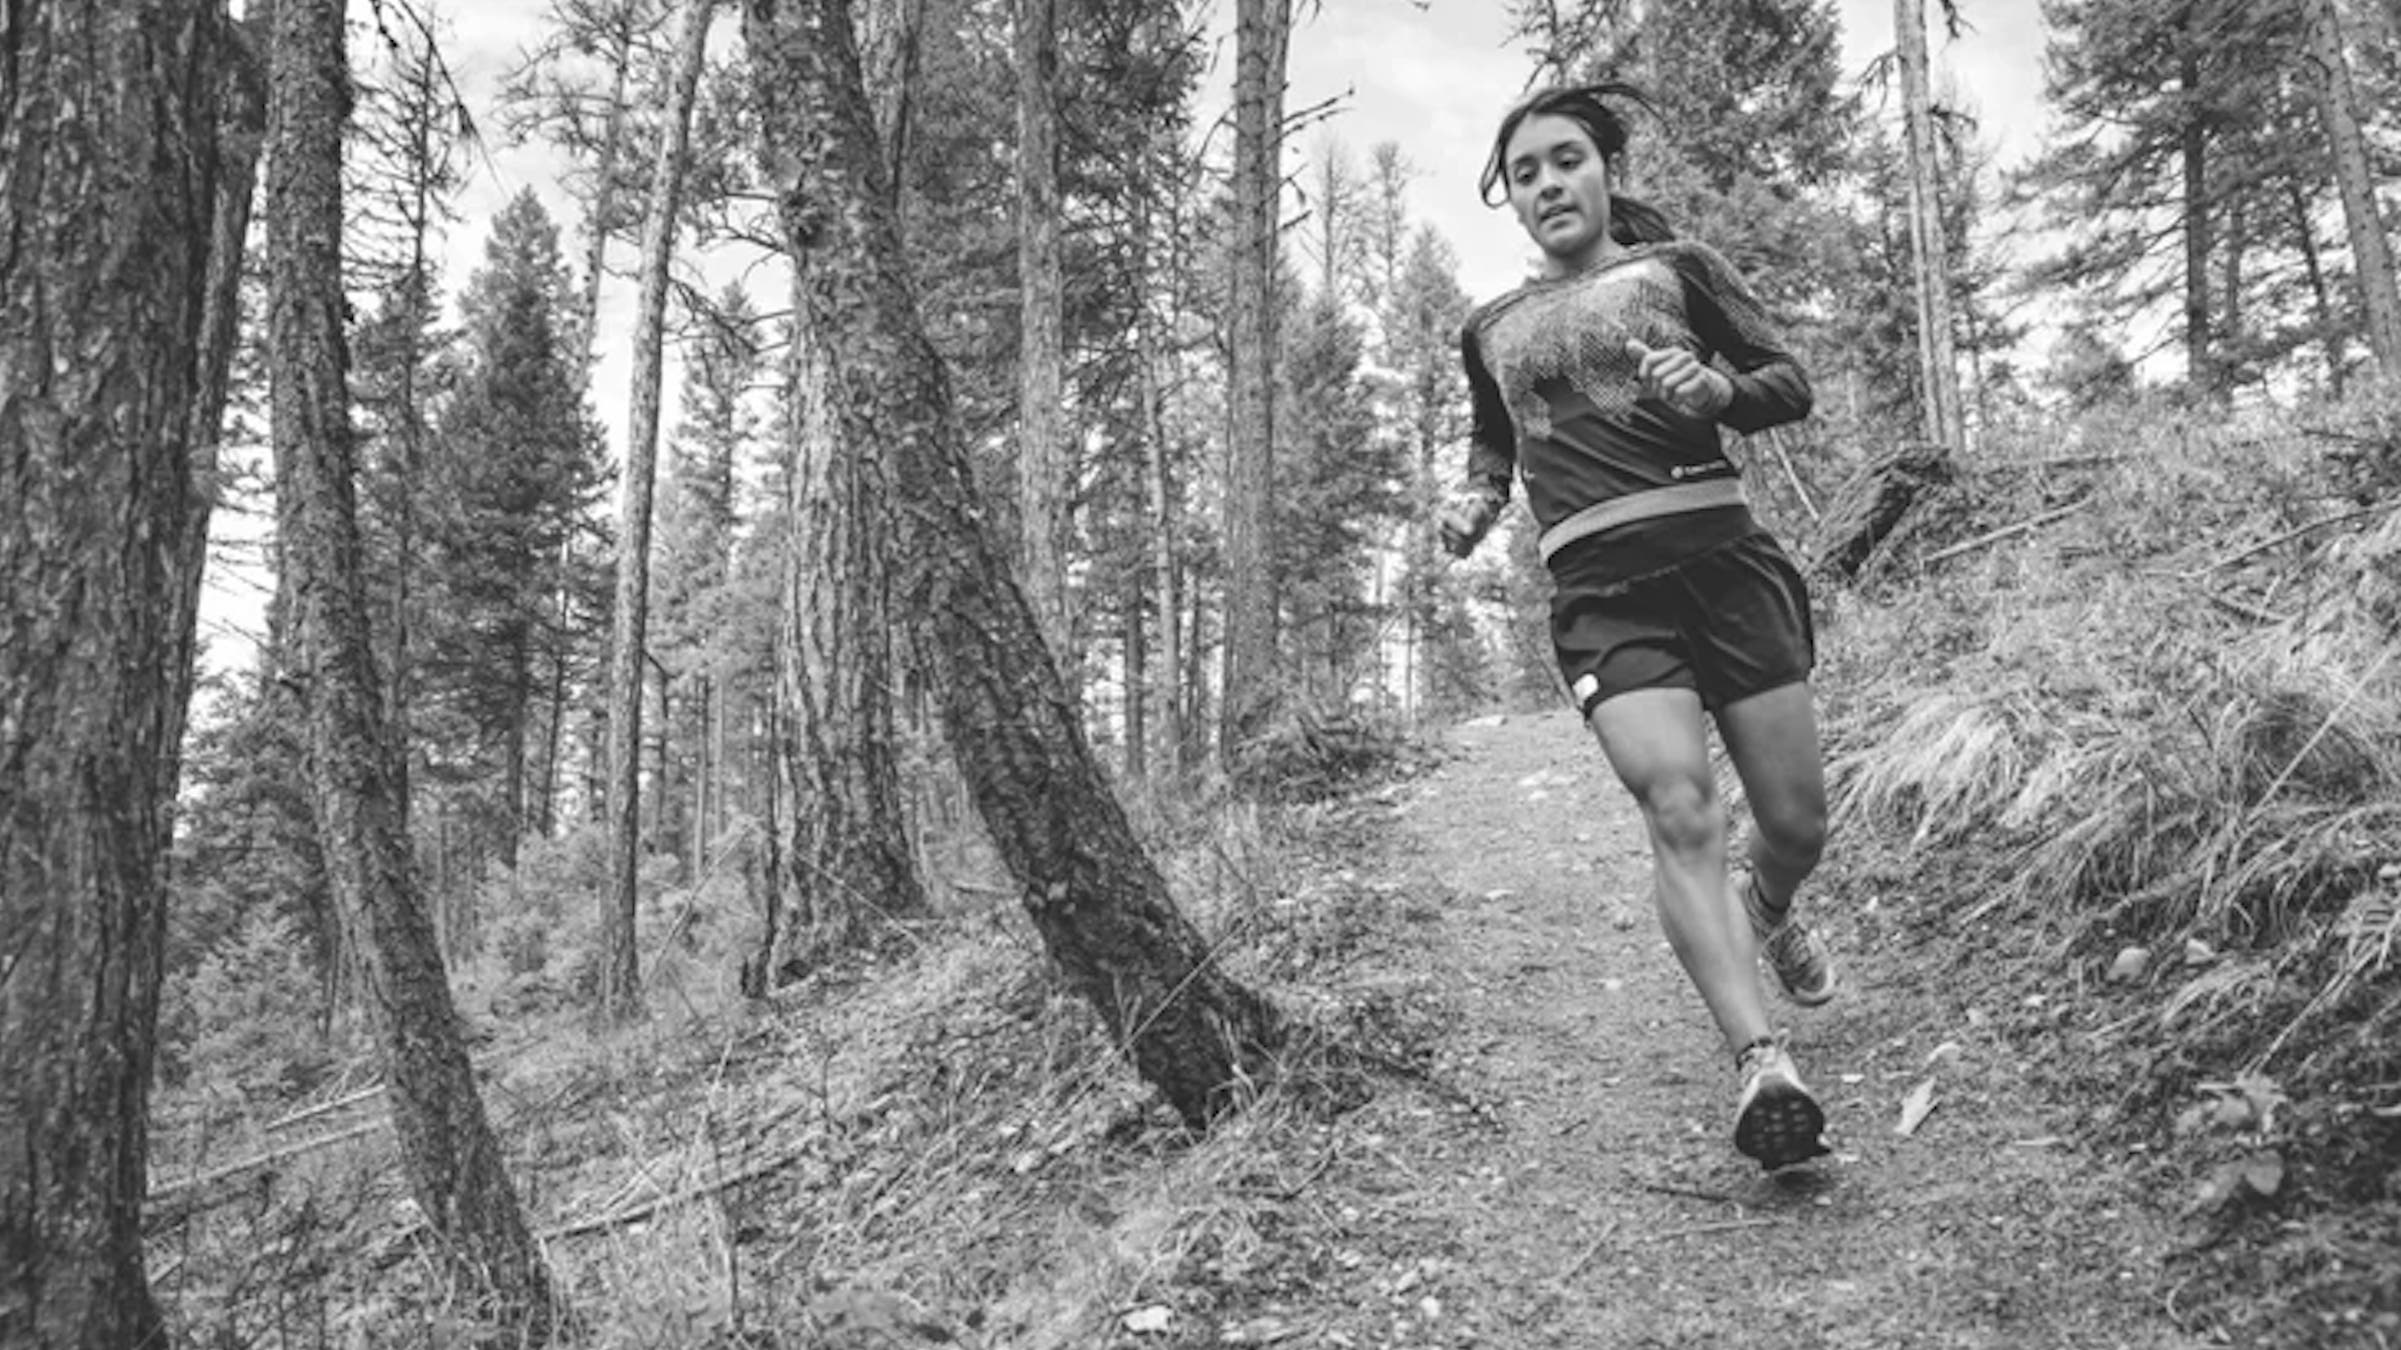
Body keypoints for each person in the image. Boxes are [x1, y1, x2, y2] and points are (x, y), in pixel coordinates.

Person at [1439, 81, 1839, 1171]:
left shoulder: (1679, 270)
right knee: (1678, 806)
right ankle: (1761, 1061)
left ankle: (1768, 904)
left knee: (1795, 824)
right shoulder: (1490, 327)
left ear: (1606, 171)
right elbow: (1493, 440)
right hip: (1602, 593)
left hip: (1725, 564)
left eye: (1565, 160)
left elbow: (1787, 382)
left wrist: (1715, 393)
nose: (1547, 184)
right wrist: (1474, 500)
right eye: (1524, 173)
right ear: (1510, 200)